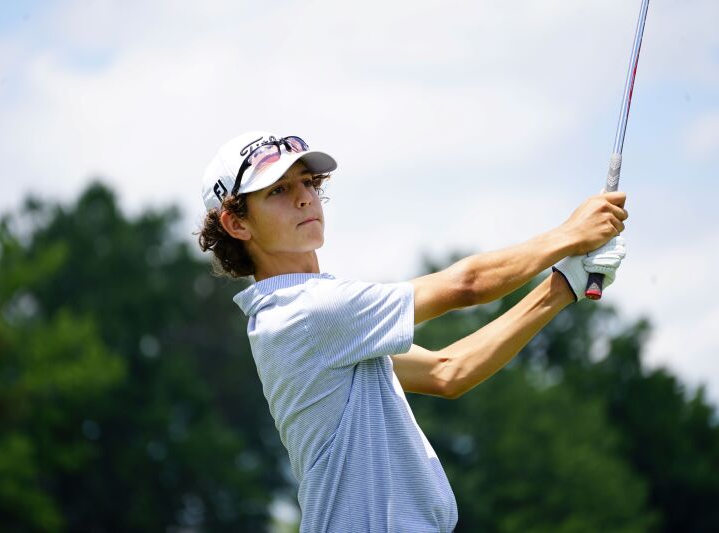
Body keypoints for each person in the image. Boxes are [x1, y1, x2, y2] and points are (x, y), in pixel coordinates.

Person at [196, 131, 628, 532]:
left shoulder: (312, 320)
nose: (305, 198)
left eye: (307, 182)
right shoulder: (307, 312)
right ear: (237, 223)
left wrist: (562, 286)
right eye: (278, 190)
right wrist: (571, 234)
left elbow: (447, 372)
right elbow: (467, 286)